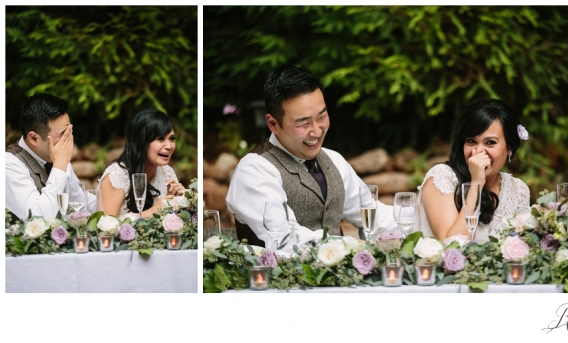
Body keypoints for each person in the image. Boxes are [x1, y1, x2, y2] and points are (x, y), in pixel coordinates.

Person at [226, 65, 397, 248]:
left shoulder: (334, 160)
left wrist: (421, 215)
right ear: (273, 124)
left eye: (322, 117)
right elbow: (285, 239)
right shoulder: (254, 170)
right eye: (304, 123)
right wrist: (351, 246)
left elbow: (373, 216)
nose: (316, 131)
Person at [418, 99, 530, 243]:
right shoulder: (441, 178)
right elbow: (450, 246)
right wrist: (476, 183)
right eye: (471, 141)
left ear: (509, 147)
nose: (478, 151)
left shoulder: (518, 190)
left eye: (490, 143)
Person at [6, 93, 95, 220]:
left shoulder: (57, 156)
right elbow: (38, 218)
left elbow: (81, 202)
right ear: (34, 138)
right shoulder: (9, 164)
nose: (69, 139)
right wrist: (59, 167)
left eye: (70, 131)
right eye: (63, 134)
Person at [98, 109, 186, 220]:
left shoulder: (167, 172)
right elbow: (106, 228)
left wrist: (182, 199)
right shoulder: (117, 176)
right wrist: (153, 212)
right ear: (141, 141)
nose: (169, 146)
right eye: (160, 139)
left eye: (172, 139)